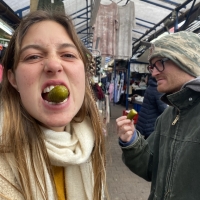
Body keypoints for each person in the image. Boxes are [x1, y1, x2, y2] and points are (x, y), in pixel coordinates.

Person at [0, 10, 108, 200]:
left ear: (83, 74)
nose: (53, 64)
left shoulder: (91, 146)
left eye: (67, 54)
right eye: (33, 56)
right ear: (13, 79)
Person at [116, 31, 200, 200]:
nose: (153, 73)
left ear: (185, 60)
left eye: (160, 63)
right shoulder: (169, 114)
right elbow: (151, 166)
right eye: (151, 66)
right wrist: (132, 141)